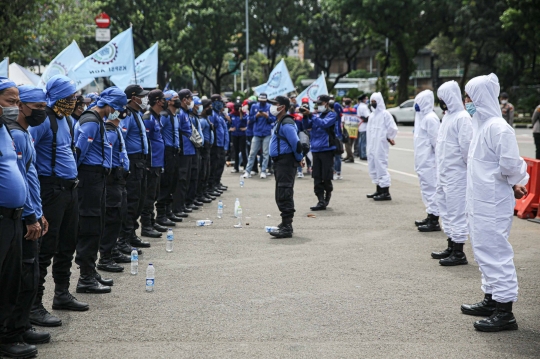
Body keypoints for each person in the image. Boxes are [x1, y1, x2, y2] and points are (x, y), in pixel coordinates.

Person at [461, 73, 528, 332]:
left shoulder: (498, 128)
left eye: (470, 96)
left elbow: (510, 163)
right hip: (480, 201)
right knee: (483, 250)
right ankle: (491, 298)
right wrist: (513, 181)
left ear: (482, 97)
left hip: (491, 203)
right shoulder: (481, 125)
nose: (467, 101)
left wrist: (515, 180)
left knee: (496, 252)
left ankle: (505, 311)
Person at [29, 75, 88, 328]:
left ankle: (61, 294)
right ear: (57, 98)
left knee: (67, 244)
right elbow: (28, 156)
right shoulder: (43, 121)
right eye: (69, 97)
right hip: (51, 191)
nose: (73, 101)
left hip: (70, 191)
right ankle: (34, 305)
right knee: (45, 249)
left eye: (74, 96)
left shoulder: (67, 120)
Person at [5, 85, 52, 348]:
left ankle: (21, 326)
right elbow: (19, 178)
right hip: (23, 215)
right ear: (22, 107)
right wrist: (31, 215)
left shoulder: (24, 133)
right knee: (23, 276)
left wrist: (40, 211)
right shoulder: (16, 135)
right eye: (38, 107)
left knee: (30, 274)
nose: (41, 112)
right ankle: (12, 330)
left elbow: (30, 178)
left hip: (33, 210)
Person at [74, 87, 127, 294]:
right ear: (110, 104)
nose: (118, 112)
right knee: (89, 226)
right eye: (117, 107)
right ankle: (85, 278)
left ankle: (91, 271)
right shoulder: (91, 122)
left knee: (98, 225)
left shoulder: (98, 120)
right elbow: (79, 153)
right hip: (89, 178)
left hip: (98, 178)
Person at [0, 78, 37, 359]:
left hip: (14, 217)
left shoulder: (5, 130)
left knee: (10, 281)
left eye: (17, 102)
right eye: (10, 102)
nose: (15, 107)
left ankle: (9, 335)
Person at [431, 80, 472, 266]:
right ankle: (450, 244)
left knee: (457, 212)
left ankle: (459, 251)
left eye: (442, 98)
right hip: (444, 174)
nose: (441, 102)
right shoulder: (447, 117)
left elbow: (466, 149)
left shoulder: (462, 118)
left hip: (457, 175)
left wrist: (463, 171)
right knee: (446, 211)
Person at [98, 98, 131, 273]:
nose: (123, 110)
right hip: (112, 181)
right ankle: (105, 257)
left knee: (120, 215)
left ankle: (113, 251)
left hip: (120, 180)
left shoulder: (115, 129)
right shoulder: (110, 130)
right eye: (120, 108)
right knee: (112, 218)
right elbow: (108, 156)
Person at [119, 85, 152, 249]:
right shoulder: (126, 115)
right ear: (133, 98)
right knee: (131, 202)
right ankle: (123, 239)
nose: (145, 99)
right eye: (142, 96)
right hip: (132, 161)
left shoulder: (137, 114)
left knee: (139, 200)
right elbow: (121, 140)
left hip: (140, 162)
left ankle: (132, 234)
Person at [268, 96, 303, 238]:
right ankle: (285, 223)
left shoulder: (287, 123)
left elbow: (296, 143)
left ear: (282, 107)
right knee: (281, 192)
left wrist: (300, 158)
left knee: (284, 192)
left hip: (286, 162)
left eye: (275, 104)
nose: (272, 107)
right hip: (280, 162)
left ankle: (287, 226)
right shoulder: (280, 121)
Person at [412, 90, 441, 232]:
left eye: (418, 102)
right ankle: (430, 215)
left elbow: (436, 142)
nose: (415, 105)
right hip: (423, 162)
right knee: (426, 189)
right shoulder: (421, 117)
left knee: (432, 189)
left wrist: (437, 162)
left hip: (430, 162)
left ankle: (434, 220)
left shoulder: (430, 118)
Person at [303, 95, 337, 210]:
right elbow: (306, 126)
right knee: (316, 176)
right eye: (317, 103)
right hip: (316, 149)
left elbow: (324, 124)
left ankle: (327, 197)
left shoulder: (332, 114)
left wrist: (311, 115)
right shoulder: (315, 115)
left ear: (327, 103)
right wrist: (305, 116)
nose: (319, 106)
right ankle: (320, 200)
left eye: (321, 103)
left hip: (327, 149)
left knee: (326, 176)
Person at [141, 90, 167, 237]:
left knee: (155, 194)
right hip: (151, 163)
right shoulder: (148, 118)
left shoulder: (157, 117)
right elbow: (146, 141)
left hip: (158, 162)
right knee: (149, 196)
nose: (166, 102)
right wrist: (147, 163)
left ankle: (151, 221)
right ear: (158, 101)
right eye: (164, 99)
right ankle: (146, 226)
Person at [155, 90, 183, 226]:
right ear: (169, 101)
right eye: (176, 98)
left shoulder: (175, 115)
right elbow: (158, 134)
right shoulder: (164, 116)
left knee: (173, 182)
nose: (179, 100)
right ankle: (161, 215)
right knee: (165, 183)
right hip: (167, 152)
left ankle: (168, 211)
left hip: (174, 152)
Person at [365, 92, 398, 201]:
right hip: (372, 145)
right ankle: (378, 189)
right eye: (371, 102)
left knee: (381, 166)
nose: (373, 104)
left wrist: (389, 137)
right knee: (373, 165)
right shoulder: (372, 116)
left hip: (380, 145)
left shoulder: (385, 114)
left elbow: (392, 128)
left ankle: (385, 192)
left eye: (375, 102)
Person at [171, 89, 194, 216]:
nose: (192, 101)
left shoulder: (186, 112)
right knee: (181, 179)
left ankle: (182, 205)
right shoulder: (179, 113)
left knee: (187, 179)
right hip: (183, 150)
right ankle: (177, 207)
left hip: (189, 149)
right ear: (184, 99)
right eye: (190, 98)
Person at [243, 93, 276, 179]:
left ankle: (263, 171)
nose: (262, 102)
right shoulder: (254, 106)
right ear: (258, 100)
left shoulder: (270, 107)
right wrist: (256, 116)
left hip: (266, 133)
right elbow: (250, 119)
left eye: (264, 101)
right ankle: (247, 171)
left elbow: (273, 120)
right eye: (261, 101)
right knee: (252, 153)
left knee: (265, 153)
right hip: (257, 133)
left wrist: (267, 116)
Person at [185, 95, 204, 209]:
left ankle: (193, 198)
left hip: (197, 149)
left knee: (196, 175)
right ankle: (188, 201)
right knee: (190, 177)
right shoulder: (190, 117)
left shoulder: (196, 117)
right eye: (198, 105)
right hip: (191, 149)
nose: (199, 108)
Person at [208, 95, 227, 194]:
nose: (221, 104)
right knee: (214, 166)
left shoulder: (219, 114)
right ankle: (212, 186)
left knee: (219, 165)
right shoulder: (212, 114)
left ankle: (217, 183)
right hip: (215, 144)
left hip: (220, 143)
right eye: (219, 102)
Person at [197, 99, 215, 201]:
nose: (210, 109)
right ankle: (200, 194)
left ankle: (204, 192)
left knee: (206, 171)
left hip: (208, 147)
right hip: (203, 148)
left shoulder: (206, 119)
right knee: (203, 172)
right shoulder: (202, 121)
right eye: (208, 107)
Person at [230, 101, 247, 173]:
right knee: (236, 151)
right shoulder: (231, 115)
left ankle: (246, 167)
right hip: (234, 134)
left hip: (242, 134)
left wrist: (241, 112)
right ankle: (236, 167)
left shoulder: (244, 114)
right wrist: (230, 128)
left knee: (243, 151)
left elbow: (243, 120)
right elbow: (228, 123)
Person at [330, 95, 343, 180]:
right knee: (337, 156)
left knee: (333, 156)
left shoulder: (328, 115)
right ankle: (337, 173)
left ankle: (335, 172)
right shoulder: (336, 114)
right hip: (337, 136)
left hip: (334, 137)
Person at [342, 98, 358, 163]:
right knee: (351, 142)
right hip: (354, 127)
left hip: (347, 127)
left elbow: (343, 120)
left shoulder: (344, 110)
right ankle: (348, 156)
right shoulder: (354, 110)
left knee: (347, 143)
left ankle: (351, 157)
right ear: (350, 103)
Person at [356, 94, 370, 160]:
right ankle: (363, 155)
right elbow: (368, 116)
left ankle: (361, 153)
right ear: (363, 99)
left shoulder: (359, 106)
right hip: (364, 126)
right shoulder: (364, 107)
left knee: (361, 141)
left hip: (360, 126)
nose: (367, 100)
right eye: (366, 99)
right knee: (364, 142)